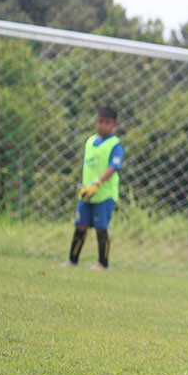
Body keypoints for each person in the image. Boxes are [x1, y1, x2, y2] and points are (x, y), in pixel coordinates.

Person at [66, 106, 123, 270]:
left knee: (101, 228)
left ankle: (103, 263)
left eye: (107, 123)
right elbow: (86, 166)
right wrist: (83, 184)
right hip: (87, 193)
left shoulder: (115, 145)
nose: (102, 125)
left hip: (104, 195)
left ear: (114, 125)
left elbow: (114, 166)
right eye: (100, 122)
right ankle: (72, 260)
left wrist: (97, 183)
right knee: (80, 226)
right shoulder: (90, 141)